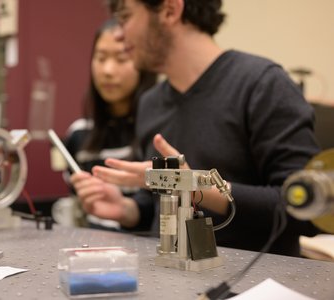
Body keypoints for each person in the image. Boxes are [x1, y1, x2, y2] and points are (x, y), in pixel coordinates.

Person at [71, 0, 320, 256]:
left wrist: (197, 186)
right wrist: (126, 210)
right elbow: (155, 205)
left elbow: (310, 209)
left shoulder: (264, 85)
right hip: (169, 283)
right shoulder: (150, 103)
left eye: (125, 16)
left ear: (169, 10)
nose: (120, 33)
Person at [64, 19, 157, 230]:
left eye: (121, 58)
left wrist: (125, 209)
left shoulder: (158, 133)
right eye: (100, 57)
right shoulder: (78, 134)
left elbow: (158, 212)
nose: (107, 70)